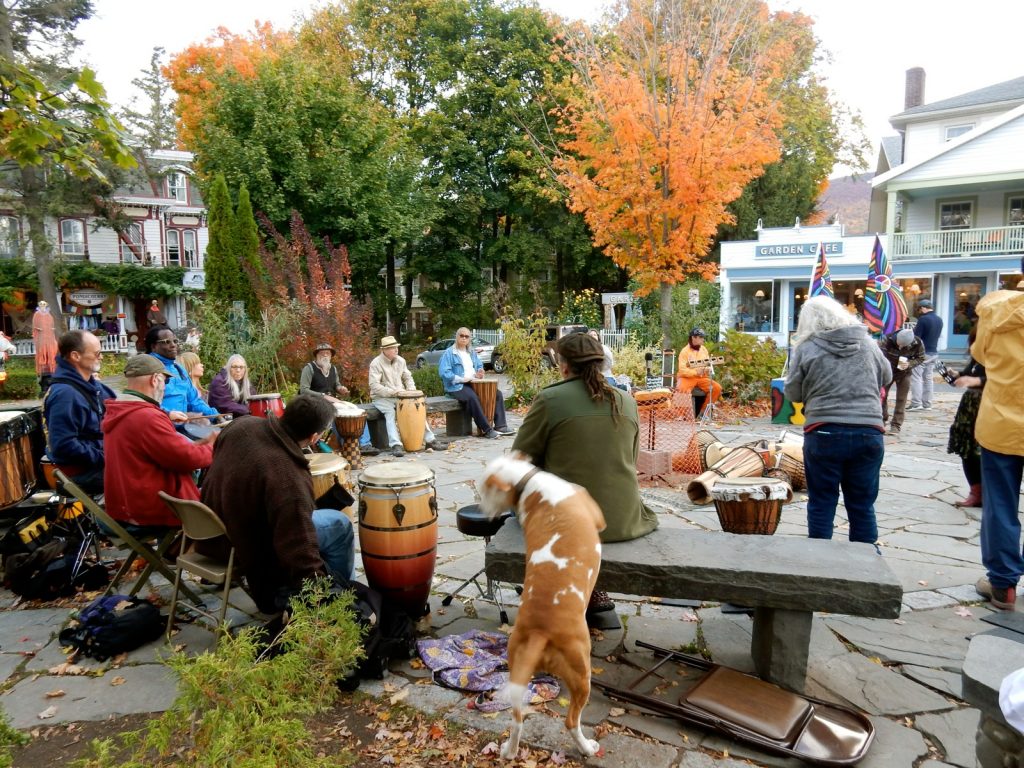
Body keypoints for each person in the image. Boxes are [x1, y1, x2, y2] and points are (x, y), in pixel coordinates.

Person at [512, 332, 658, 617]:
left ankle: (557, 592)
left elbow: (519, 463)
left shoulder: (550, 399)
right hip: (622, 521)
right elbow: (631, 457)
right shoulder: (626, 401)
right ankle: (594, 592)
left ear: (563, 365)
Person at [199, 394, 356, 614]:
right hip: (242, 542)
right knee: (340, 524)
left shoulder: (241, 425)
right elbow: (298, 545)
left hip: (210, 529)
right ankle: (342, 589)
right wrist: (318, 592)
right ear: (314, 437)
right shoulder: (287, 477)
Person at [784, 296, 891, 545]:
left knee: (822, 500)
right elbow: (886, 376)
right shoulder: (868, 343)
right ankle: (866, 567)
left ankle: (823, 563)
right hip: (869, 430)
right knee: (862, 504)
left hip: (824, 432)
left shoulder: (807, 348)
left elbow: (792, 393)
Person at [102, 354, 214, 528]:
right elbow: (187, 459)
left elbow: (169, 451)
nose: (164, 387)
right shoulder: (146, 417)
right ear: (155, 380)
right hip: (151, 509)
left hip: (126, 505)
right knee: (229, 503)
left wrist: (202, 444)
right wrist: (214, 446)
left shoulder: (120, 410)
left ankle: (173, 552)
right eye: (165, 381)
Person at [971, 263, 1024, 611]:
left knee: (1000, 504)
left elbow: (980, 355)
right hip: (1001, 421)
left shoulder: (998, 309)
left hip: (1002, 421)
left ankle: (1003, 585)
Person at [42, 330, 115, 494]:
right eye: (97, 354)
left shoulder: (91, 384)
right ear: (75, 356)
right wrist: (107, 457)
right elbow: (64, 445)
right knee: (148, 476)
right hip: (81, 472)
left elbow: (119, 408)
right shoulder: (65, 394)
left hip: (97, 461)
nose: (101, 357)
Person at [369, 335, 444, 457]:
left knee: (416, 408)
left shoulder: (400, 360)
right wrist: (392, 392)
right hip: (381, 397)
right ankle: (396, 445)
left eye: (396, 347)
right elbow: (374, 386)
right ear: (385, 350)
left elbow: (408, 377)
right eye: (393, 348)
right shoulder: (376, 363)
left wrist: (411, 392)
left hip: (400, 396)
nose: (396, 350)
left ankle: (431, 441)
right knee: (390, 413)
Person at [300, 342, 377, 456]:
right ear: (316, 355)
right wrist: (323, 396)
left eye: (328, 353)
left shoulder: (333, 369)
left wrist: (341, 389)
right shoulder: (309, 368)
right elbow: (303, 390)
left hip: (332, 402)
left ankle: (365, 444)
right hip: (313, 403)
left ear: (331, 356)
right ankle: (345, 444)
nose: (325, 356)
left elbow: (336, 385)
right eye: (322, 353)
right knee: (337, 411)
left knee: (356, 410)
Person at [438, 327, 515, 438]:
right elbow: (444, 373)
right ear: (457, 337)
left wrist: (480, 371)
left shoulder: (471, 352)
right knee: (472, 397)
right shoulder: (449, 353)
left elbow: (479, 365)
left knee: (496, 393)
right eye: (461, 336)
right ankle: (487, 430)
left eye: (466, 336)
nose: (464, 338)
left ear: (469, 339)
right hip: (456, 386)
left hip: (473, 382)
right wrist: (462, 379)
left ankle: (501, 426)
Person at [945, 327, 985, 508]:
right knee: (966, 449)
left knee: (982, 451)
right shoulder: (978, 355)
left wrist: (977, 381)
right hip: (970, 406)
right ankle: (976, 492)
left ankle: (986, 492)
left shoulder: (1003, 352)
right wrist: (958, 375)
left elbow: (1008, 377)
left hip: (988, 405)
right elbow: (972, 372)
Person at [145, 326, 218, 419]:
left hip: (183, 424)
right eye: (167, 342)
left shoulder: (179, 369)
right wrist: (169, 414)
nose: (173, 345)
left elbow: (194, 401)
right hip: (161, 424)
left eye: (175, 341)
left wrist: (214, 415)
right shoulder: (147, 369)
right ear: (153, 346)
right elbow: (145, 404)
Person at [878, 328, 925, 435]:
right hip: (887, 371)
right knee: (882, 396)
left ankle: (896, 425)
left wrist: (910, 364)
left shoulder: (917, 342)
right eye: (898, 344)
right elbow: (878, 356)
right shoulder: (887, 339)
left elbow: (921, 357)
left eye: (903, 346)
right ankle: (882, 419)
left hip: (904, 372)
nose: (900, 347)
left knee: (901, 399)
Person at [675, 328, 722, 417]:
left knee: (717, 388)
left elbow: (707, 364)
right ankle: (681, 415)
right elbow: (682, 370)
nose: (703, 339)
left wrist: (707, 369)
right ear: (693, 337)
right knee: (681, 389)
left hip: (702, 378)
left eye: (703, 337)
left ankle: (704, 413)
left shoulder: (704, 350)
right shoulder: (684, 351)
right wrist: (696, 372)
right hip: (687, 377)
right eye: (701, 337)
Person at [909, 299, 943, 411]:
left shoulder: (923, 319)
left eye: (920, 309)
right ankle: (927, 404)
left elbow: (916, 338)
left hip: (922, 353)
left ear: (923, 308)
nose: (920, 311)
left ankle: (916, 403)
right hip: (933, 352)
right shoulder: (939, 319)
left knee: (916, 377)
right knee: (928, 378)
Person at [32, 300, 58, 394]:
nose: (43, 306)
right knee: (42, 352)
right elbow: (35, 325)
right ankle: (43, 368)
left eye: (44, 305)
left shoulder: (49, 315)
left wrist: (51, 329)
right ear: (39, 306)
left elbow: (52, 324)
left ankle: (51, 366)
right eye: (41, 305)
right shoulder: (37, 314)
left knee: (52, 351)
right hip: (41, 337)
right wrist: (38, 329)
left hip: (49, 337)